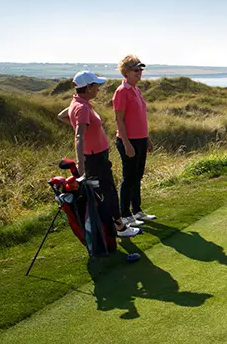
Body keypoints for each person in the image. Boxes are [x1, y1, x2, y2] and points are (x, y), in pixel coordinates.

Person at [56, 71, 140, 238]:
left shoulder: (78, 103)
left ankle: (112, 224)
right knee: (109, 192)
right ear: (88, 87)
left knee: (103, 191)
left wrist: (79, 125)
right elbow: (79, 136)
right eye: (96, 86)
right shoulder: (81, 107)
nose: (98, 89)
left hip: (95, 156)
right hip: (95, 158)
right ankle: (121, 228)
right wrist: (80, 164)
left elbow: (61, 116)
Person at [113, 55, 156, 228]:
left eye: (140, 70)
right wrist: (126, 143)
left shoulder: (136, 90)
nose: (140, 73)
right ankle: (125, 214)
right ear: (126, 72)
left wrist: (147, 140)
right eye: (136, 70)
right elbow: (119, 120)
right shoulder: (122, 91)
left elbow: (140, 119)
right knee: (128, 177)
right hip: (128, 141)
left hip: (140, 140)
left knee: (137, 176)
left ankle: (137, 210)